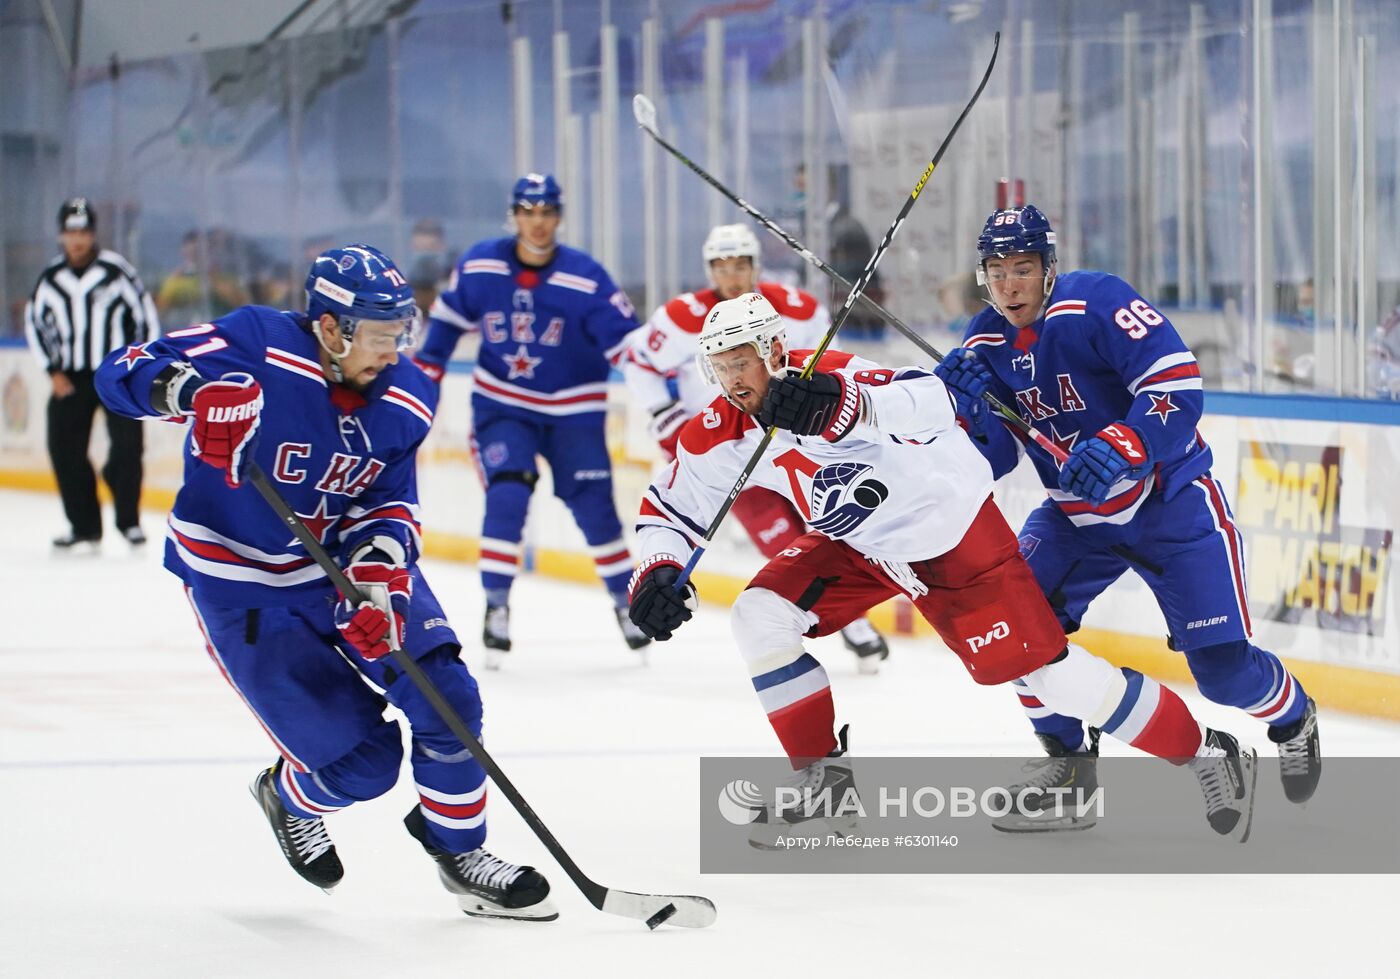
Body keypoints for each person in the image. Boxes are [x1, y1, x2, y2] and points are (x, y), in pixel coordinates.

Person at [626, 292, 1260, 845]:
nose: (730, 379)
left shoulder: (837, 376)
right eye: (718, 366)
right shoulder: (723, 427)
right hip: (861, 544)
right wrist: (656, 567)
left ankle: (1204, 750)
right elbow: (672, 505)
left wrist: (842, 407)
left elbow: (932, 400)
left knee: (1053, 680)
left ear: (772, 348)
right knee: (759, 614)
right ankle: (822, 784)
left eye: (739, 360)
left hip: (951, 537)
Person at [94, 243, 555, 921]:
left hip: (338, 569)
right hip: (241, 584)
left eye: (401, 334)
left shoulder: (408, 393)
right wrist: (192, 393)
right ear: (331, 327)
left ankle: (461, 852)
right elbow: (121, 370)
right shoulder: (253, 344)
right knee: (364, 766)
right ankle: (288, 795)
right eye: (380, 336)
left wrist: (374, 581)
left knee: (447, 695)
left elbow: (390, 503)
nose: (394, 353)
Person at [932, 204, 1321, 828]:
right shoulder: (984, 341)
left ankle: (1293, 713)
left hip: (1170, 505)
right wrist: (973, 411)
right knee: (1012, 630)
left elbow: (1178, 385)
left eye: (1023, 268)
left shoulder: (1097, 303)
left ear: (1049, 268)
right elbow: (996, 458)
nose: (1009, 285)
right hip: (1072, 520)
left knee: (1223, 675)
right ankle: (1069, 773)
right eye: (996, 271)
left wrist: (1124, 444)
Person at [620, 223, 891, 671]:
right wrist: (662, 413)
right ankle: (855, 625)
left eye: (740, 264)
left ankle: (847, 614)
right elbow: (638, 361)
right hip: (727, 450)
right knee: (781, 540)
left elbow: (829, 365)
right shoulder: (680, 317)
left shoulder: (797, 310)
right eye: (722, 266)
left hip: (797, 446)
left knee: (828, 526)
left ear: (755, 266)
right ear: (709, 270)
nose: (732, 275)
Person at [414, 173, 649, 667]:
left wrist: (665, 391)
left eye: (546, 212)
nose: (537, 222)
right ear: (514, 215)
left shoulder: (585, 277)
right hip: (505, 406)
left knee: (597, 511)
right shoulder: (480, 265)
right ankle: (496, 607)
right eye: (528, 212)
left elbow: (630, 349)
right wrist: (417, 392)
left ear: (558, 217)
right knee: (507, 493)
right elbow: (443, 334)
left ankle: (626, 604)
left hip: (575, 413)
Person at [23, 197, 159, 551]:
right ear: (61, 236)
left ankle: (129, 521)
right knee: (64, 448)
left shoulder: (116, 272)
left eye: (83, 232)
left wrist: (142, 365)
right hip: (71, 375)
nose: (77, 240)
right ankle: (83, 526)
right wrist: (52, 371)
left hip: (116, 372)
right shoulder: (51, 279)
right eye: (71, 232)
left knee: (128, 447)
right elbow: (35, 325)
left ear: (93, 233)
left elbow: (144, 316)